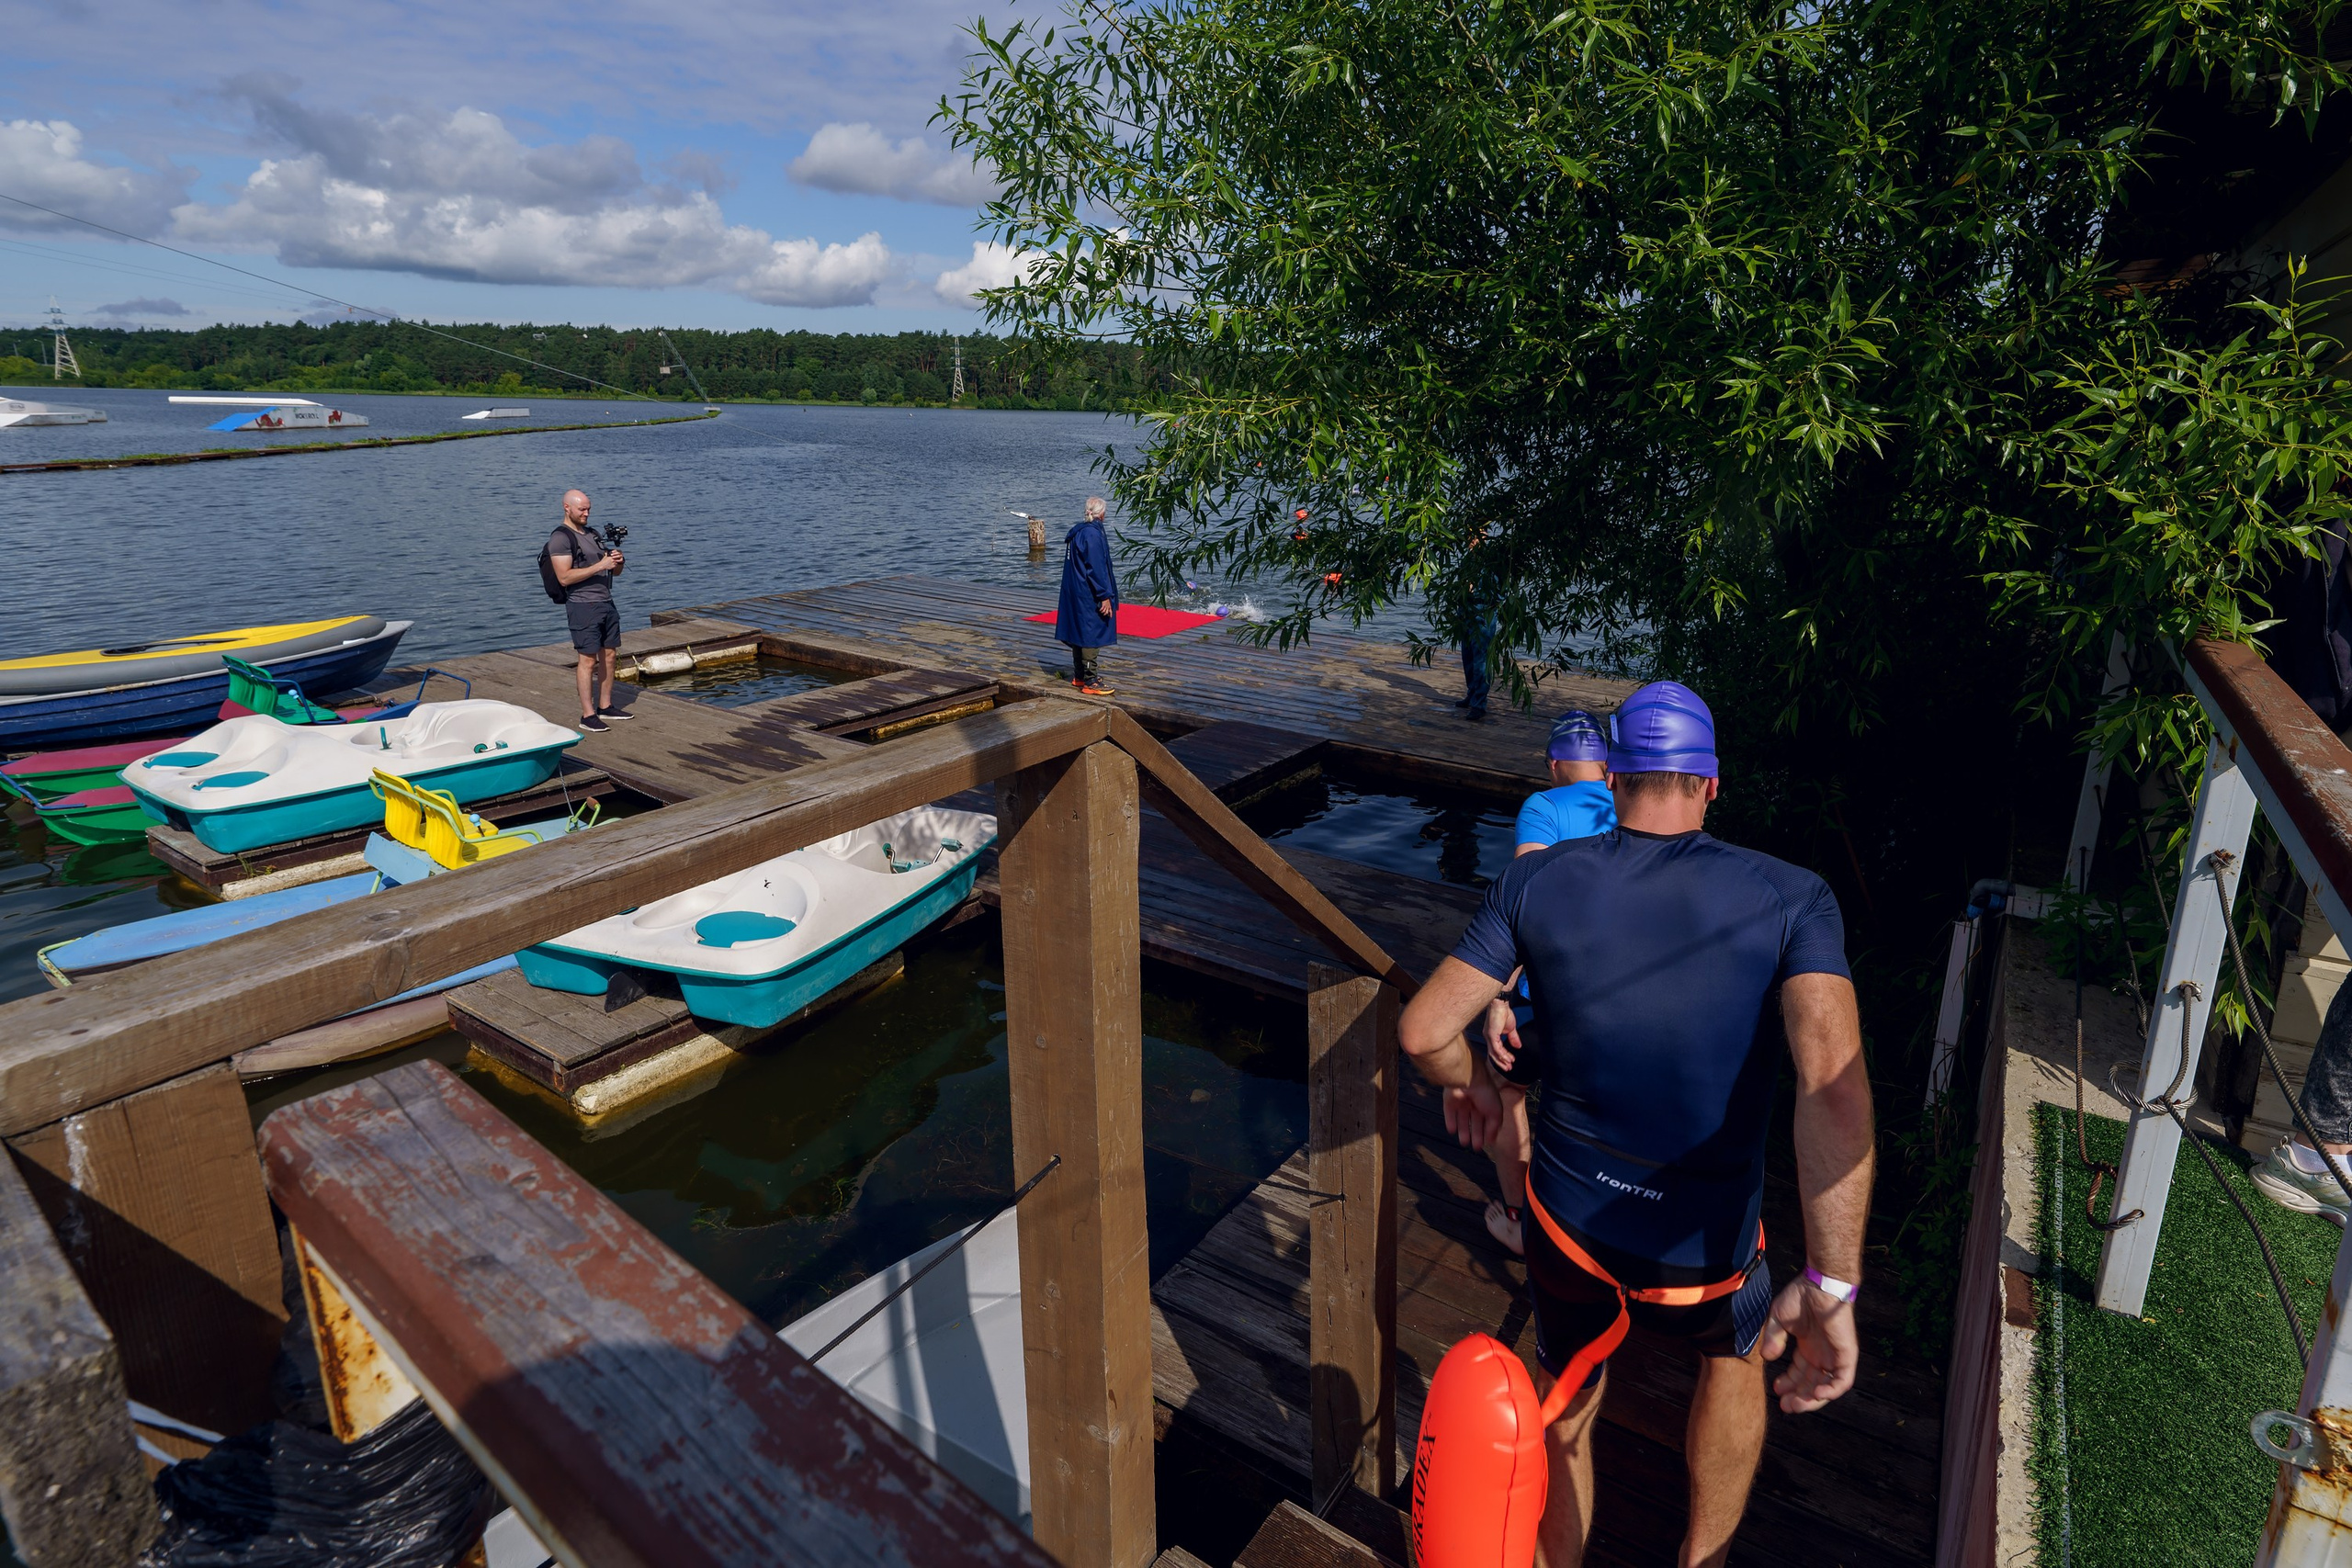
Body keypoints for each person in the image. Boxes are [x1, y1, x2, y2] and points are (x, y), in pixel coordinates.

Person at [1397, 681, 1874, 1567]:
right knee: (1732, 1362)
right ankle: (1703, 1560)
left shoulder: (1534, 879)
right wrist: (1831, 1283)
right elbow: (1832, 1090)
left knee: (1568, 1390)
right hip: (1703, 1245)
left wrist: (1469, 1088)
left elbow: (1424, 1031)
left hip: (1568, 1224)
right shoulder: (1792, 897)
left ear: (1612, 779)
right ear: (1712, 784)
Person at [1480, 709, 1619, 1256]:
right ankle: (1598, 1230)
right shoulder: (1633, 805)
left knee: (1507, 1093)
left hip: (1547, 1001)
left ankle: (1521, 1222)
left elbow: (1526, 904)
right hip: (1617, 1003)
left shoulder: (1543, 806)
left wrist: (1502, 993)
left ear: (1555, 764)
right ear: (1605, 766)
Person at [547, 489, 628, 732]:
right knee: (587, 659)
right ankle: (588, 715)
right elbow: (564, 577)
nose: (586, 513)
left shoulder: (593, 534)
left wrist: (617, 562)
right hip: (582, 605)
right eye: (582, 509)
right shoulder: (560, 538)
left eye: (589, 509)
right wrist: (600, 565)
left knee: (610, 655)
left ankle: (605, 706)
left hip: (606, 602)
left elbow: (614, 572)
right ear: (567, 508)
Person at [1057, 496, 1119, 695]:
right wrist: (1104, 595)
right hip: (1088, 591)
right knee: (1091, 632)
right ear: (1102, 514)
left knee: (1079, 630)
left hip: (1075, 588)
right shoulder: (1092, 534)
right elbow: (1096, 568)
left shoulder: (1079, 532)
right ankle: (1091, 680)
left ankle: (1079, 675)